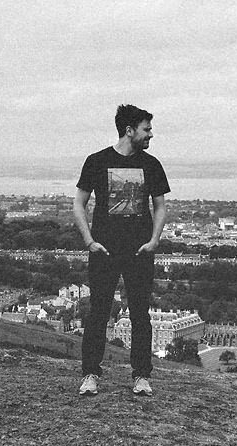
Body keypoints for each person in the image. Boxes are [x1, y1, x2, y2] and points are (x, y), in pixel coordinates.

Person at [73, 104, 170, 397]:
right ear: (129, 130)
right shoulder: (97, 161)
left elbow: (160, 206)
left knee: (141, 314)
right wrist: (89, 241)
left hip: (140, 250)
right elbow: (79, 203)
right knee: (98, 313)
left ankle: (141, 376)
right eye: (146, 129)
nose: (151, 134)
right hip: (104, 249)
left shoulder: (151, 165)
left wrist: (154, 240)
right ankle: (90, 374)